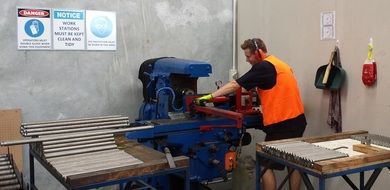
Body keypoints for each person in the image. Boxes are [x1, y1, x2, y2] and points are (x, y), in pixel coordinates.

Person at [195, 38, 306, 190]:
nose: (247, 60)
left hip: (282, 123)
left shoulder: (263, 67)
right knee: (293, 163)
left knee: (265, 165)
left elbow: (235, 85)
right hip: (297, 120)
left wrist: (211, 96)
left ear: (259, 53)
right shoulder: (279, 64)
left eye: (248, 56)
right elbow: (276, 89)